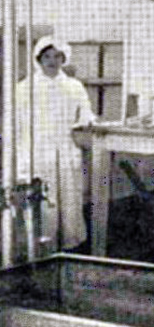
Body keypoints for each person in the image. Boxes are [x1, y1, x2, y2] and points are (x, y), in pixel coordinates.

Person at [16, 35, 97, 251]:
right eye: (47, 57)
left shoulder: (73, 86)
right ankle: (43, 246)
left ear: (63, 59)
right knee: (43, 198)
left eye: (57, 56)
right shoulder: (25, 88)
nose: (52, 61)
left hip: (66, 147)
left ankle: (70, 243)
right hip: (36, 148)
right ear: (38, 59)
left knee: (69, 196)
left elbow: (86, 113)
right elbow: (15, 121)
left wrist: (86, 122)